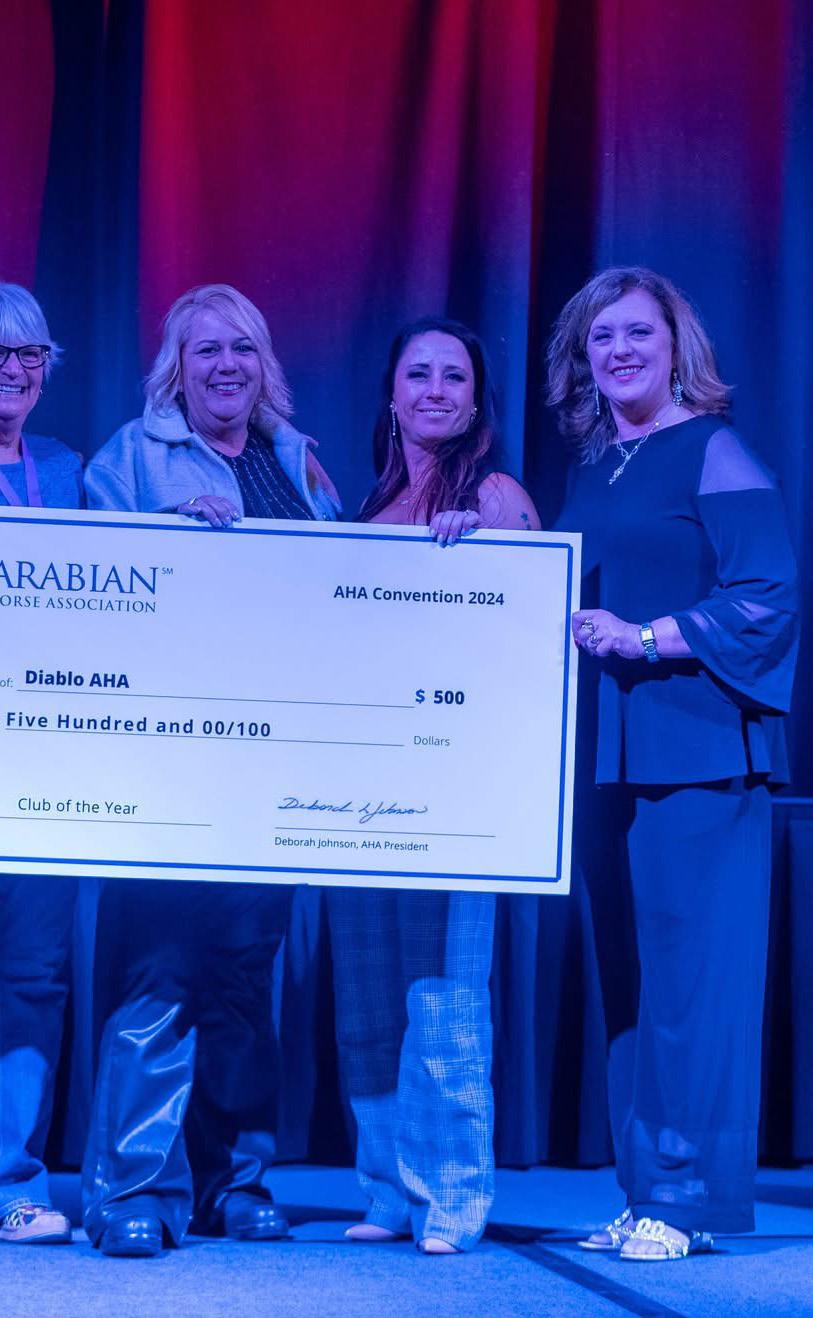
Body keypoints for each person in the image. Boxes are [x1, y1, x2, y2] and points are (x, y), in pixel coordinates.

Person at [82, 284, 340, 1257]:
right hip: (169, 765)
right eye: (205, 351)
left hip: (267, 767)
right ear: (176, 370)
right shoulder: (130, 456)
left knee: (241, 976)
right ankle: (133, 1187)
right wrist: (167, 532)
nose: (226, 365)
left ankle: (236, 1178)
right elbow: (96, 588)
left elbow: (337, 596)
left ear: (263, 363)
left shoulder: (296, 460)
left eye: (242, 348)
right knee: (160, 971)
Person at [548, 267, 798, 1260]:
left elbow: (768, 594)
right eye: (601, 337)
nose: (619, 351)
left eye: (637, 334)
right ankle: (644, 1187)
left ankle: (688, 1200)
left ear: (675, 346)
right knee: (635, 987)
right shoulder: (597, 463)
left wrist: (645, 638)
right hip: (608, 759)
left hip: (698, 753)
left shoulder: (713, 449)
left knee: (695, 990)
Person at [328, 316, 540, 1254]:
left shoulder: (493, 497)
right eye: (418, 374)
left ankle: (451, 1194)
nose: (435, 391)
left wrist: (483, 556)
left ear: (476, 399)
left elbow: (529, 634)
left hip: (456, 788)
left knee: (443, 995)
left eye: (454, 376)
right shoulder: (367, 503)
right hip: (358, 780)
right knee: (368, 995)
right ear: (391, 394)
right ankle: (385, 1189)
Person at [0, 284, 83, 1246]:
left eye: (28, 354)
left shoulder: (63, 469)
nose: (13, 370)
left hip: (49, 770)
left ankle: (14, 1182)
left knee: (30, 978)